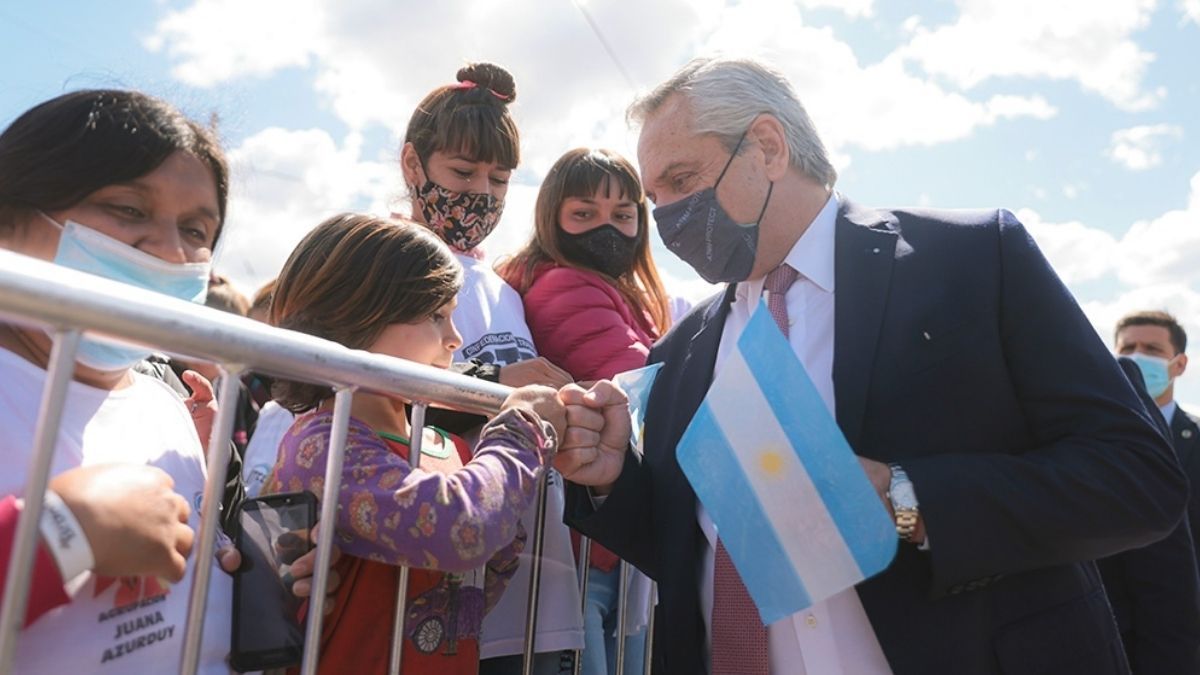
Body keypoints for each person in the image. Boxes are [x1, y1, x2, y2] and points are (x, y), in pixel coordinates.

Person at [554, 57, 1188, 675]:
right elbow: (695, 550)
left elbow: (1137, 476)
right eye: (655, 196)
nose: (665, 216)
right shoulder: (679, 350)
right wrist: (612, 479)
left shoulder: (971, 262)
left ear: (767, 147)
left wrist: (904, 499)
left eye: (682, 180)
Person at [0, 89, 333, 672]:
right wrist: (63, 532)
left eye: (197, 230)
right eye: (128, 209)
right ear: (9, 219)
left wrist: (267, 580)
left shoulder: (169, 403)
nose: (171, 251)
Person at [263, 213, 570, 673]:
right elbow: (461, 528)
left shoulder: (452, 448)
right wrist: (525, 429)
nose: (455, 339)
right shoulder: (322, 443)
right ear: (355, 316)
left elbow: (480, 573)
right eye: (435, 315)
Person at [398, 63, 583, 672]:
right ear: (412, 164)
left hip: (535, 572)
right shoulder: (389, 259)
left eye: (499, 179)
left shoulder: (502, 286)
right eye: (462, 172)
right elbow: (381, 383)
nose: (482, 192)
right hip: (444, 584)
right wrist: (497, 385)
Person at [498, 148, 669, 675]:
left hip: (603, 546)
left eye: (622, 215)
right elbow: (643, 379)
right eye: (584, 213)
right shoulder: (564, 284)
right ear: (553, 217)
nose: (606, 228)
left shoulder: (617, 292)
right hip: (584, 548)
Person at [1095, 311, 1200, 672]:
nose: (1136, 358)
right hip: (1111, 635)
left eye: (1152, 349)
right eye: (1127, 349)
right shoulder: (1093, 447)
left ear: (1179, 364)